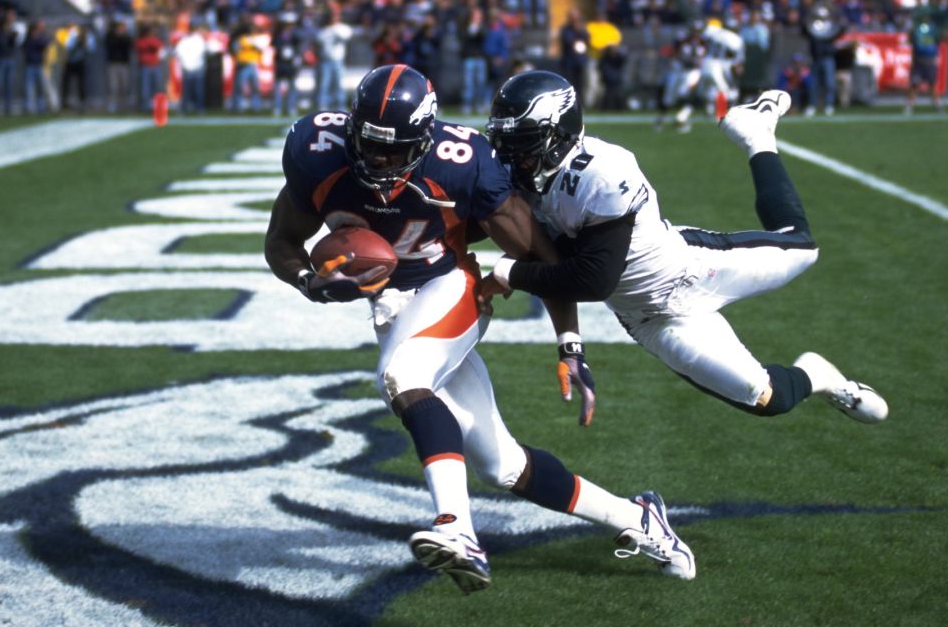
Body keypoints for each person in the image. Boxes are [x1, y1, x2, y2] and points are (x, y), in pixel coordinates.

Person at [265, 64, 695, 594]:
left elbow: (542, 257)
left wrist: (570, 344)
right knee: (503, 466)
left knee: (403, 378)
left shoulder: (464, 166)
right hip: (396, 307)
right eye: (368, 144)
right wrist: (310, 281)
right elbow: (281, 243)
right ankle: (638, 519)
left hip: (447, 285)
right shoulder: (319, 151)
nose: (377, 160)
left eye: (393, 150)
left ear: (423, 140)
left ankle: (457, 529)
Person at [482, 71, 888, 425]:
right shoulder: (520, 176)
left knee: (802, 244)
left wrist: (508, 273)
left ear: (559, 134)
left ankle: (756, 134)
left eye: (522, 144)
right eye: (505, 143)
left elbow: (593, 279)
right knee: (766, 398)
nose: (509, 157)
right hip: (649, 319)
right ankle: (818, 376)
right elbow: (551, 258)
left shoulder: (602, 173)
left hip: (693, 271)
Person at [801, 0, 845, 116]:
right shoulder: (813, 25)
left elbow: (839, 33)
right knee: (813, 83)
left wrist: (839, 22)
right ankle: (812, 105)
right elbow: (804, 32)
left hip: (827, 56)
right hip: (815, 56)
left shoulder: (831, 26)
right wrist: (807, 20)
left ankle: (829, 105)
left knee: (829, 83)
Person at [905, 7, 944, 115]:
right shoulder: (916, 29)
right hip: (919, 60)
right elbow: (911, 41)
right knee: (914, 84)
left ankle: (938, 105)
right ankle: (909, 106)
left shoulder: (934, 29)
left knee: (932, 84)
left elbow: (939, 41)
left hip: (930, 60)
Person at [315, 9, 353, 110]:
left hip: (338, 61)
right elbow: (318, 42)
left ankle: (340, 106)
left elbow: (345, 37)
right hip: (325, 61)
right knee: (324, 84)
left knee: (339, 84)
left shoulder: (343, 28)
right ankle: (323, 106)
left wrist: (335, 30)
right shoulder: (324, 30)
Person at [175, 25, 209, 115]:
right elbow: (205, 51)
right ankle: (198, 109)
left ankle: (186, 109)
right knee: (196, 90)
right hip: (196, 67)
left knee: (188, 90)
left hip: (188, 67)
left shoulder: (184, 41)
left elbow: (177, 53)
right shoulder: (198, 40)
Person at [558, 8, 590, 98]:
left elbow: (588, 39)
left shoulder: (583, 29)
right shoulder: (566, 29)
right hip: (569, 61)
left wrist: (580, 30)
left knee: (580, 84)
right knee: (569, 84)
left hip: (580, 62)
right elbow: (568, 41)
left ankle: (580, 102)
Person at [105, 21, 134, 113]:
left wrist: (122, 36)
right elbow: (110, 45)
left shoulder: (127, 37)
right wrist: (117, 36)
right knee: (113, 86)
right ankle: (112, 105)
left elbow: (129, 46)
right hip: (113, 63)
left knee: (124, 86)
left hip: (124, 64)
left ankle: (123, 106)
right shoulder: (111, 36)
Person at [135, 24, 166, 110]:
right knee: (145, 88)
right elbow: (143, 47)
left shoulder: (157, 40)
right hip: (145, 66)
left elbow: (159, 48)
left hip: (156, 66)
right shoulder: (141, 41)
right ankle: (145, 107)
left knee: (157, 87)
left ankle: (158, 106)